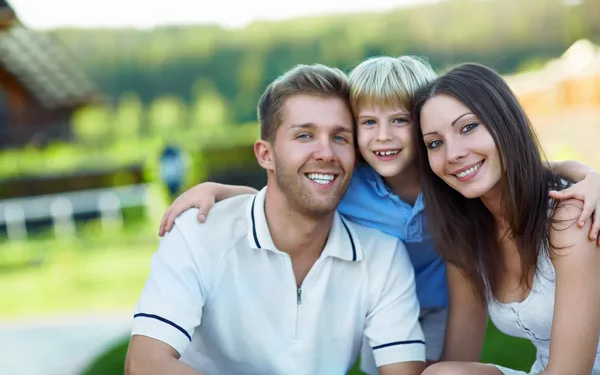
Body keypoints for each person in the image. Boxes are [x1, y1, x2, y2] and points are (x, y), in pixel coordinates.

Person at [158, 56, 600, 373]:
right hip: (386, 304)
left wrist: (588, 174)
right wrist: (220, 191)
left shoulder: (467, 193)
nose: (384, 135)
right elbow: (290, 194)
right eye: (367, 123)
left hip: (447, 304)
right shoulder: (373, 192)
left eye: (401, 122)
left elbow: (528, 168)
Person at [125, 64, 427, 375]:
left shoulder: (384, 257)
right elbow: (144, 364)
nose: (325, 153)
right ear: (265, 154)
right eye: (305, 135)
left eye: (340, 137)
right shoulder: (199, 232)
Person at [415, 63, 600, 375]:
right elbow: (457, 358)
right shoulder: (467, 242)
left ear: (504, 122)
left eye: (467, 127)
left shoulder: (568, 219)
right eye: (435, 143)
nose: (452, 154)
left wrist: (587, 174)